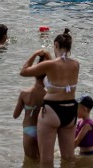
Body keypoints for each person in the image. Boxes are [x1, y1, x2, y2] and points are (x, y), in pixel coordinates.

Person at [20, 29, 80, 165]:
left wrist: (36, 53)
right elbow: (60, 68)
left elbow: (23, 72)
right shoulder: (76, 64)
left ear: (55, 45)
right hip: (71, 110)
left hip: (52, 111)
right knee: (69, 158)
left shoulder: (50, 64)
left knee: (46, 161)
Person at [13, 53, 47, 160]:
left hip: (28, 130)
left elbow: (15, 115)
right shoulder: (48, 95)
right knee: (41, 161)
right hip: (43, 130)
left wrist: (36, 53)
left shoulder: (24, 93)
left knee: (29, 162)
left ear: (34, 74)